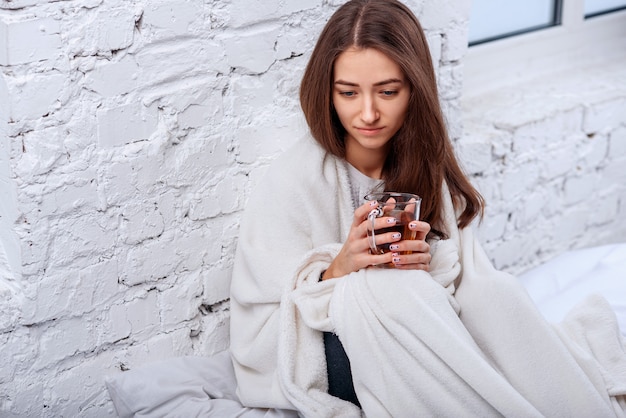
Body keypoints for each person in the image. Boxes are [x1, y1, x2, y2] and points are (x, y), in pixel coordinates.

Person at [229, 1, 626, 416]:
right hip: (326, 352)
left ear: (414, 88)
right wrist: (339, 268)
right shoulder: (293, 179)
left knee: (498, 295)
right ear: (326, 93)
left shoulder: (421, 166)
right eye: (348, 92)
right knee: (392, 291)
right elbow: (266, 321)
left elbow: (462, 282)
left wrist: (425, 263)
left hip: (415, 324)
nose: (367, 113)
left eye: (387, 91)